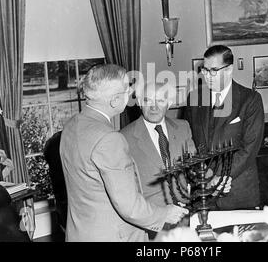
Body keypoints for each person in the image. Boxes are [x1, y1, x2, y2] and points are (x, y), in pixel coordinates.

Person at [59, 64, 187, 242]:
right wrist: (164, 214)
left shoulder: (71, 126)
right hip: (113, 236)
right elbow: (130, 207)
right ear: (114, 100)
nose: (131, 94)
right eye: (127, 89)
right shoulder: (110, 139)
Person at [121, 82, 231, 207]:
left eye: (160, 101)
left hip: (184, 209)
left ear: (169, 104)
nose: (154, 107)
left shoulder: (182, 127)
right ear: (140, 102)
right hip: (151, 215)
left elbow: (195, 164)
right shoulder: (124, 137)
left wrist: (213, 181)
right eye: (148, 101)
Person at [184, 45, 265, 210]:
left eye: (213, 70)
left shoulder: (250, 100)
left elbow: (249, 149)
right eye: (204, 70)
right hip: (203, 192)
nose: (208, 76)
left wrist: (219, 177)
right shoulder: (194, 98)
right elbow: (189, 142)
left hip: (238, 194)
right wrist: (208, 178)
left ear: (229, 70)